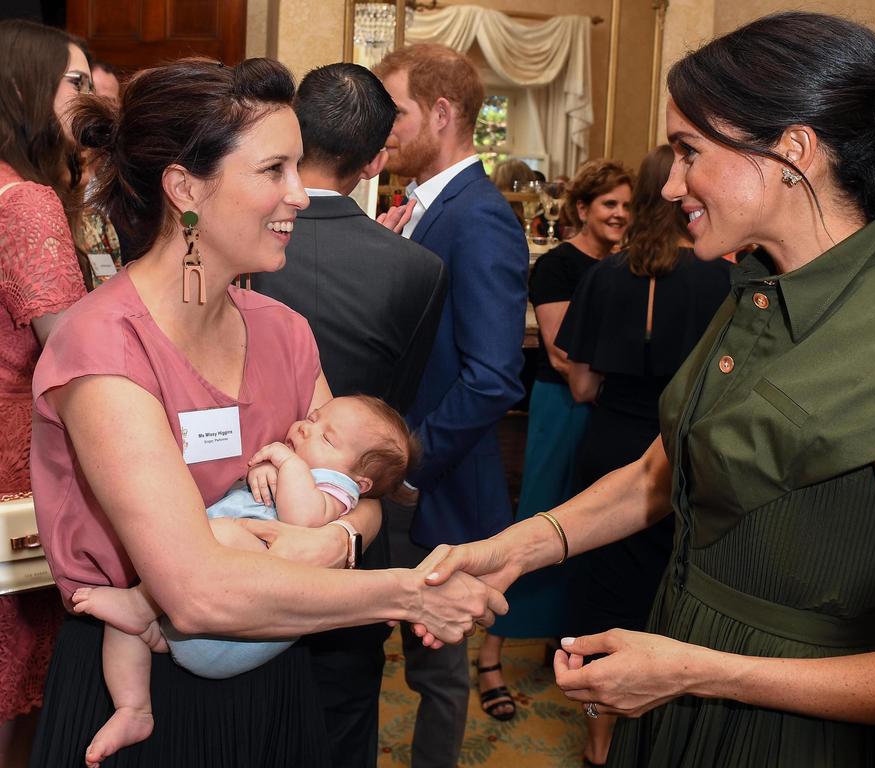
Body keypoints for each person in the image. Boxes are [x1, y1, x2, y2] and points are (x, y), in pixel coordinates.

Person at [420, 12, 875, 767]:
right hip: (679, 690)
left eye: (689, 152)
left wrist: (703, 670)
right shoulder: (753, 293)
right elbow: (659, 472)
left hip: (794, 735)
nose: (669, 184)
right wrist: (519, 546)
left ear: (792, 150)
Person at [28, 56, 506, 768]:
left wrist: (333, 541)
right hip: (141, 692)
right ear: (186, 188)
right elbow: (194, 596)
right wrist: (402, 591)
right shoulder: (103, 349)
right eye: (274, 170)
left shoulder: (284, 331)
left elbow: (361, 492)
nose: (300, 195)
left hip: (277, 679)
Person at [251, 61, 449, 768]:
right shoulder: (414, 269)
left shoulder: (238, 241)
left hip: (238, 515)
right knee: (337, 727)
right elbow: (395, 407)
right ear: (374, 162)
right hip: (349, 521)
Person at [73, 394, 416, 767]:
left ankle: (139, 604)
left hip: (230, 624)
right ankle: (133, 707)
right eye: (313, 418)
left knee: (215, 537)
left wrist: (286, 463)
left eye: (327, 438)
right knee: (123, 630)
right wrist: (265, 470)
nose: (306, 427)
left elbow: (302, 518)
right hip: (183, 615)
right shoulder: (307, 467)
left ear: (360, 482)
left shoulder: (336, 489)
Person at [375, 43, 529, 767]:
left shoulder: (479, 217)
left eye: (395, 110)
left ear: (441, 113)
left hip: (433, 488)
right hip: (398, 478)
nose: (384, 126)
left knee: (436, 674)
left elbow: (494, 377)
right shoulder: (419, 207)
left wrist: (411, 470)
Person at [554, 145, 731, 765]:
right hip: (690, 454)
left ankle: (599, 741)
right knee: (676, 589)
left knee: (604, 595)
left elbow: (581, 386)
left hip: (611, 449)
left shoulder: (606, 275)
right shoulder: (729, 281)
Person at [480, 158, 632, 723]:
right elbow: (563, 352)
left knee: (597, 532)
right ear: (584, 209)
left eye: (626, 205)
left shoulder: (633, 266)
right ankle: (492, 655)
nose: (619, 214)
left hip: (609, 413)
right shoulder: (560, 267)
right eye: (609, 204)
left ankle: (565, 640)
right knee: (544, 522)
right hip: (562, 407)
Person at [0, 19, 90, 768]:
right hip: (16, 461)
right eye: (75, 81)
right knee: (22, 676)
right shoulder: (25, 201)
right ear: (27, 85)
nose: (88, 97)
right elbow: (74, 347)